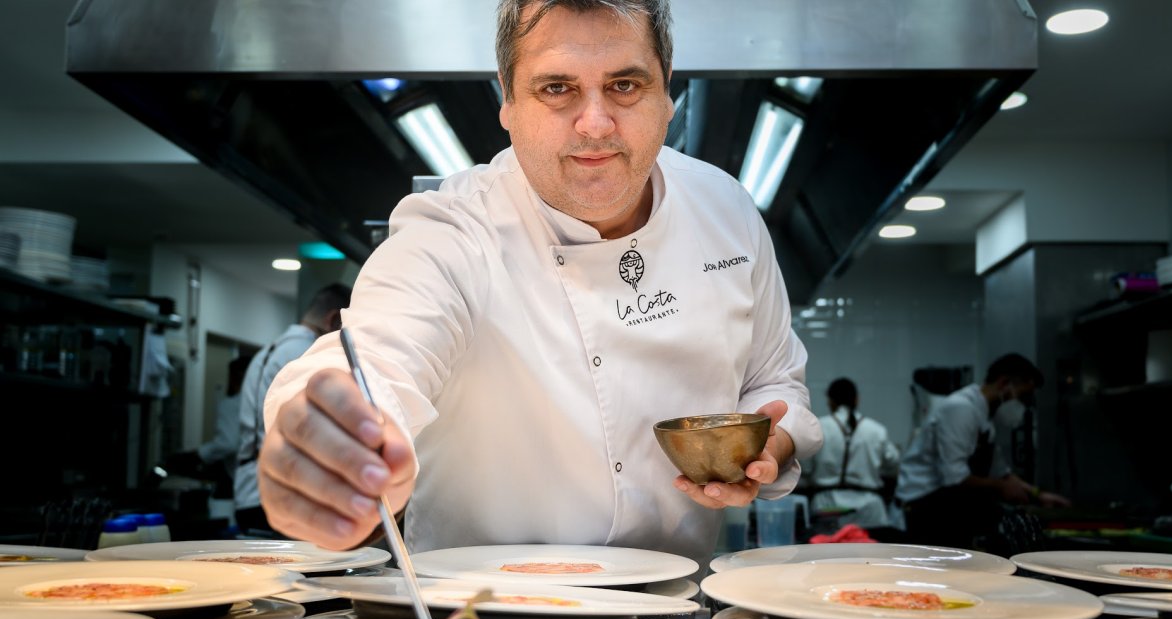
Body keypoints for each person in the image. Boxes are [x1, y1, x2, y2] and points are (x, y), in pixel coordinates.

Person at [254, 0, 823, 567]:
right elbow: (380, 355)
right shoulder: (455, 226)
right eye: (557, 88)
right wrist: (332, 430)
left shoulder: (726, 211)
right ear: (507, 98)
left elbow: (775, 381)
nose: (596, 123)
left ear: (666, 90)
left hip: (672, 616)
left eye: (625, 85)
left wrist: (769, 444)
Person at [895, 353, 1070, 549]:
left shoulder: (984, 416)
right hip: (926, 508)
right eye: (1023, 397)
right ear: (1004, 384)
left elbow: (1000, 471)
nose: (1024, 406)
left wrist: (1038, 494)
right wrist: (1001, 487)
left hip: (946, 506)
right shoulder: (960, 409)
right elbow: (954, 477)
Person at [233, 283, 352, 534]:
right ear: (334, 319)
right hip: (281, 492)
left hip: (247, 492)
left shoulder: (266, 352)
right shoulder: (309, 356)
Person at [800, 378, 899, 530]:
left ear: (830, 401)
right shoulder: (877, 430)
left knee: (829, 553)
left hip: (828, 506)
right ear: (856, 399)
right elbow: (893, 464)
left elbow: (804, 468)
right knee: (871, 553)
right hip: (870, 509)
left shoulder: (818, 427)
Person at [196, 354, 254, 493]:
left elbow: (228, 444)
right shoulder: (267, 402)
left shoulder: (231, 404)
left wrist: (199, 455)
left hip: (242, 482)